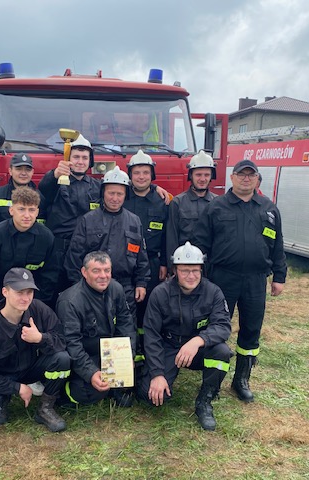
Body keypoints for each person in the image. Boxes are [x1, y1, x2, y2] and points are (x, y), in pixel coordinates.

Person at [196, 159, 287, 403]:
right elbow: (201, 243)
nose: (246, 178)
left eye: (251, 175)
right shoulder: (216, 207)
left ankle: (241, 380)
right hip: (222, 278)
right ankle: (212, 383)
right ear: (232, 178)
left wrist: (279, 276)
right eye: (241, 174)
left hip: (255, 280)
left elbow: (277, 245)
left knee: (251, 329)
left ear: (257, 179)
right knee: (217, 328)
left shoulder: (269, 209)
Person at [138, 242, 232, 430]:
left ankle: (205, 401)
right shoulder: (160, 293)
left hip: (197, 350)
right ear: (175, 271)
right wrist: (157, 374)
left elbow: (223, 326)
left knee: (222, 352)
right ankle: (146, 376)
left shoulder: (213, 292)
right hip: (169, 346)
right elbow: (151, 335)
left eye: (195, 270)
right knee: (150, 397)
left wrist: (198, 341)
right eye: (185, 270)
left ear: (201, 270)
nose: (191, 276)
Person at [0, 268, 70, 432]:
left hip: (30, 369)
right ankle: (3, 399)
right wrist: (16, 388)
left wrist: (40, 338)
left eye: (29, 292)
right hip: (2, 377)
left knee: (62, 358)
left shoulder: (38, 309)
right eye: (19, 292)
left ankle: (45, 408)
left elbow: (62, 340)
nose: (25, 298)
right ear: (5, 292)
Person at [65, 166, 150, 320]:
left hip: (125, 288)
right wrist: (79, 287)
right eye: (111, 193)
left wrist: (141, 283)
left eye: (120, 194)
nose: (115, 198)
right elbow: (74, 257)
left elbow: (141, 257)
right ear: (103, 193)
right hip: (92, 287)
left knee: (125, 327)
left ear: (125, 195)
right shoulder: (88, 220)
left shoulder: (134, 221)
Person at [0, 186, 59, 329]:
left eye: (31, 210)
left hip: (30, 298)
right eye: (21, 209)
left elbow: (50, 276)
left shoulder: (47, 238)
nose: (27, 215)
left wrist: (37, 306)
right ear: (11, 210)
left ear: (37, 212)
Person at [57, 251, 136, 406]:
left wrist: (128, 355)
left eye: (107, 270)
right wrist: (91, 373)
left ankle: (114, 388)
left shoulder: (116, 289)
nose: (103, 276)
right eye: (96, 271)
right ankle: (63, 393)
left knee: (140, 376)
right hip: (85, 355)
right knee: (89, 392)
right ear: (84, 272)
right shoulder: (70, 302)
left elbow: (126, 323)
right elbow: (72, 343)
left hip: (110, 352)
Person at [39, 134, 100, 298]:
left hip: (87, 251)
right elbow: (44, 188)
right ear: (68, 159)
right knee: (51, 293)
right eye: (76, 157)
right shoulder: (56, 182)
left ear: (90, 161)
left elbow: (122, 193)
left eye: (85, 158)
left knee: (84, 295)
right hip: (58, 251)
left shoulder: (98, 187)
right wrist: (55, 174)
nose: (80, 161)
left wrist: (154, 189)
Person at [123, 150, 168, 363]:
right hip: (125, 262)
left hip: (152, 262)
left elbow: (168, 234)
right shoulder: (122, 196)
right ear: (130, 175)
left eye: (146, 172)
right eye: (137, 172)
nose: (141, 177)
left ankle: (145, 350)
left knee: (148, 308)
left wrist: (165, 263)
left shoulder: (162, 201)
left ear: (152, 175)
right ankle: (127, 350)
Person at [166, 150, 217, 263]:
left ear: (211, 176)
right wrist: (171, 266)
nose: (202, 179)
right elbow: (171, 238)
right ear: (191, 175)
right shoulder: (177, 202)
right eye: (198, 175)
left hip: (211, 263)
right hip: (185, 263)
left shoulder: (218, 203)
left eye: (207, 175)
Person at [0, 152, 47, 230]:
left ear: (32, 172)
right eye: (19, 169)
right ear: (10, 171)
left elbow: (42, 226)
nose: (23, 173)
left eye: (27, 170)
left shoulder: (40, 197)